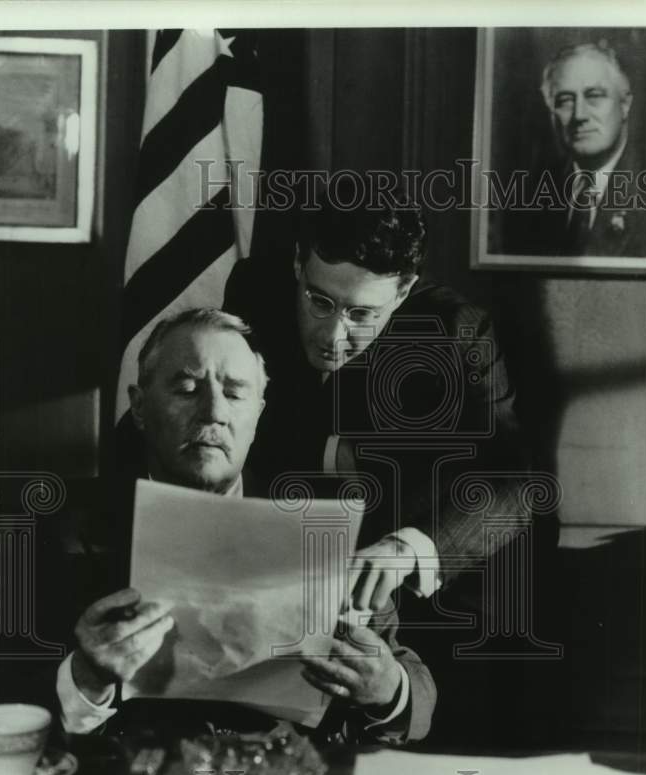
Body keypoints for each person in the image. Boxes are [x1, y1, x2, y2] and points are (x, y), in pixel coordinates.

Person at [57, 308, 436, 746]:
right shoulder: (74, 530)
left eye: (235, 395)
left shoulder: (323, 522)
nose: (213, 412)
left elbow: (417, 693)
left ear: (258, 414)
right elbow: (1, 701)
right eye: (186, 389)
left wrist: (388, 689)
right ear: (140, 407)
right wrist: (87, 676)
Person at [222, 178, 531, 623]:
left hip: (422, 589)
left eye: (362, 314)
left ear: (402, 292)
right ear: (297, 262)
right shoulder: (255, 290)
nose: (333, 336)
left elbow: (513, 478)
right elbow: (238, 429)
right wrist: (354, 455)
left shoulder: (458, 330)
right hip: (281, 557)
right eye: (319, 301)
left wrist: (410, 546)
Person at [522, 41, 646, 257]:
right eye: (565, 100)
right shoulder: (532, 193)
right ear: (551, 112)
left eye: (594, 96)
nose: (579, 115)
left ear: (625, 104)